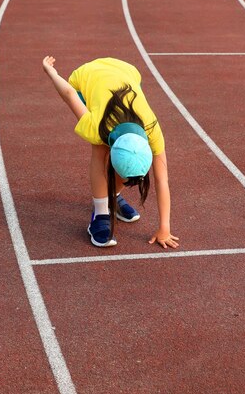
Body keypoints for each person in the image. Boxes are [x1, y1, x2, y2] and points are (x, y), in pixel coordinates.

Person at [42, 55, 179, 250]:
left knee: (122, 156)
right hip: (85, 78)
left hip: (127, 70)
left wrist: (164, 227)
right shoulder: (97, 126)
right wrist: (51, 72)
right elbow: (70, 93)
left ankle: (112, 196)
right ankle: (100, 214)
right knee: (99, 147)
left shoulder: (152, 131)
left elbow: (162, 179)